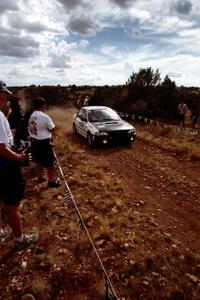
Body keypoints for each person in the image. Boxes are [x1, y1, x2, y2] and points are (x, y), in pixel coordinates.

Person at [0, 80, 38, 250]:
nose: (6, 99)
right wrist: (19, 158)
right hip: (5, 166)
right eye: (5, 95)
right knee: (12, 205)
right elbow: (1, 148)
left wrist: (9, 133)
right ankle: (19, 240)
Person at [28, 97, 60, 188]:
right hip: (44, 143)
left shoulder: (31, 115)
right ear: (43, 105)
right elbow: (52, 129)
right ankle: (51, 181)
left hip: (34, 141)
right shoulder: (44, 116)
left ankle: (40, 177)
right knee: (50, 163)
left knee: (39, 161)